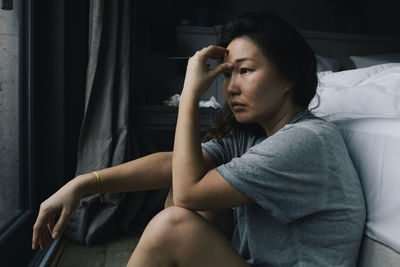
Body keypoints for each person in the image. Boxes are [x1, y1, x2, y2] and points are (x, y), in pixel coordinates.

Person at [32, 11, 366, 266]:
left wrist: (190, 93)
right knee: (181, 192)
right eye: (227, 73)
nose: (231, 87)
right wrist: (83, 184)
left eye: (245, 71)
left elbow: (189, 193)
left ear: (288, 77)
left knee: (174, 223)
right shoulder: (259, 136)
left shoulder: (306, 141)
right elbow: (174, 165)